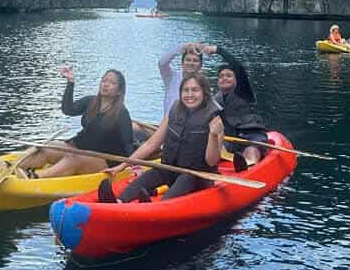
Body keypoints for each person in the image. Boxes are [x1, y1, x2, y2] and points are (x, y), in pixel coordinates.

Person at [98, 73, 224, 203]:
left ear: (204, 93)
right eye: (185, 90)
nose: (190, 95)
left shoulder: (214, 119)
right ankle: (119, 201)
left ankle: (155, 207)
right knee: (149, 176)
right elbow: (151, 145)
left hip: (196, 177)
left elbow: (212, 161)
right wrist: (122, 166)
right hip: (170, 169)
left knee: (185, 180)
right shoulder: (175, 111)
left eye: (195, 90)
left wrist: (214, 135)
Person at [16, 66, 132, 179]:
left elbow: (128, 147)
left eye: (112, 83)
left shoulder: (122, 114)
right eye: (104, 80)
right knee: (48, 146)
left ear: (119, 91)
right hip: (81, 149)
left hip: (106, 160)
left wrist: (126, 167)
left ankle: (35, 177)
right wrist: (70, 82)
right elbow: (68, 109)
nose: (106, 84)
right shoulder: (90, 101)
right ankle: (12, 168)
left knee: (74, 158)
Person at [212, 45, 269, 171]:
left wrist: (218, 50)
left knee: (251, 150)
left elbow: (239, 68)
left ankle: (250, 165)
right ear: (217, 81)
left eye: (228, 75)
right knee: (216, 147)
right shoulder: (216, 99)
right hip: (231, 139)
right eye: (221, 76)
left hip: (252, 136)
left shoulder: (243, 91)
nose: (224, 78)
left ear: (236, 80)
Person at [158, 41, 216, 115]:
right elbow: (162, 63)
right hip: (168, 123)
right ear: (182, 63)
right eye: (188, 60)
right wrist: (182, 47)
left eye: (195, 61)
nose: (191, 63)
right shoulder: (171, 77)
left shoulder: (203, 84)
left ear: (200, 66)